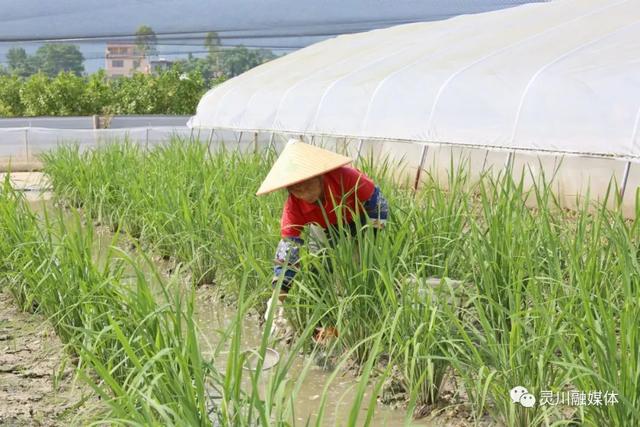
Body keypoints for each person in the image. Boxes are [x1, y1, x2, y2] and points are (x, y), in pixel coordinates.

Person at [256, 139, 389, 341]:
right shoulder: (294, 207)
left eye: (306, 185)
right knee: (317, 266)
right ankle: (324, 326)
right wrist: (278, 298)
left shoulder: (346, 178)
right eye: (295, 190)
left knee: (358, 270)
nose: (303, 194)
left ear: (318, 175)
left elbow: (378, 205)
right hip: (327, 226)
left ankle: (358, 325)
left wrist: (369, 242)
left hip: (360, 219)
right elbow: (288, 250)